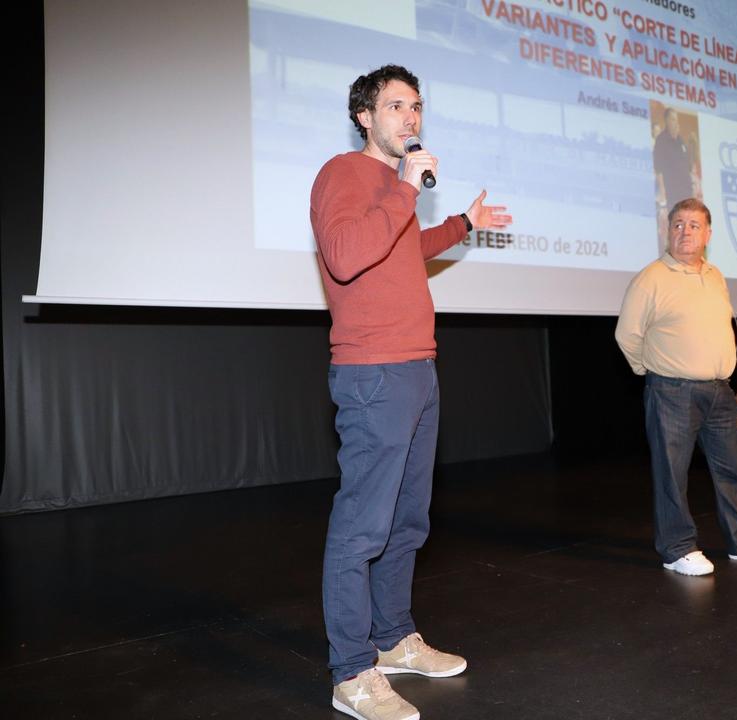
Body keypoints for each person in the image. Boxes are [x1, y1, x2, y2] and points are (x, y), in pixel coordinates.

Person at [310, 64, 511, 720]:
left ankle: (393, 637)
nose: (411, 116)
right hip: (374, 372)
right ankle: (351, 672)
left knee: (407, 520)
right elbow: (346, 255)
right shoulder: (343, 174)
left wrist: (462, 223)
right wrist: (402, 189)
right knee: (362, 527)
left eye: (416, 105)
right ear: (365, 116)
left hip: (418, 369)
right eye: (396, 105)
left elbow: (401, 249)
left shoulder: (393, 190)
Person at [614, 198, 737, 576]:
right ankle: (677, 548)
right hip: (672, 390)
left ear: (708, 234)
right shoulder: (651, 278)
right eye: (677, 225)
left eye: (693, 225)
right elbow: (627, 334)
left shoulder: (715, 274)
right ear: (668, 232)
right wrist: (650, 370)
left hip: (720, 391)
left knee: (735, 468)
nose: (684, 231)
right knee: (672, 474)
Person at [652, 108, 695, 214]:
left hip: (686, 190)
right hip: (673, 191)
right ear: (666, 120)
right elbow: (658, 167)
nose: (675, 123)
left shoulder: (680, 140)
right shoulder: (661, 140)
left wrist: (692, 146)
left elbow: (689, 166)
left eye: (676, 120)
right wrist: (662, 190)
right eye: (673, 119)